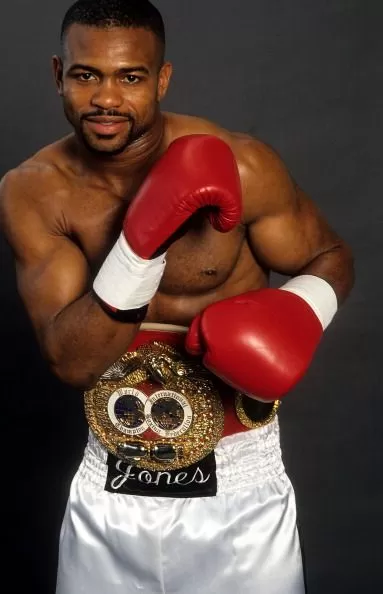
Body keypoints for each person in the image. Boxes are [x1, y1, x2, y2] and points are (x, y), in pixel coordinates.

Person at [0, 1, 354, 593]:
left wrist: (300, 310)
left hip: (240, 484)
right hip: (108, 485)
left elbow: (331, 257)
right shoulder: (33, 192)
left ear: (161, 79)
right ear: (59, 73)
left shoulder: (242, 164)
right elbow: (72, 360)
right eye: (88, 75)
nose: (107, 98)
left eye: (130, 77)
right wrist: (139, 249)